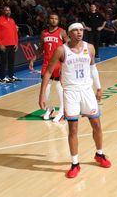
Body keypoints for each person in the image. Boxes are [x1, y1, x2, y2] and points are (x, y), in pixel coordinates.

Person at [39, 23, 112, 178]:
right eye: (76, 30)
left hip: (87, 91)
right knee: (73, 129)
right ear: (69, 33)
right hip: (71, 92)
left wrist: (98, 87)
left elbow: (93, 68)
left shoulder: (90, 47)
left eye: (81, 30)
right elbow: (48, 72)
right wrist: (42, 94)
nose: (79, 32)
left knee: (97, 124)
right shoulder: (61, 50)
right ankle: (75, 164)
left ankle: (99, 154)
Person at [30, 13, 67, 122]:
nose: (54, 20)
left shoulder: (62, 32)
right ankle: (50, 108)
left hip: (58, 63)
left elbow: (68, 45)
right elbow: (41, 48)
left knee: (59, 86)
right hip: (47, 63)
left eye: (56, 18)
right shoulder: (44, 33)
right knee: (46, 88)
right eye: (52, 18)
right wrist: (33, 58)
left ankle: (62, 110)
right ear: (48, 20)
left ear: (58, 20)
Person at [0, 6, 20, 83]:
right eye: (6, 10)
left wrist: (16, 43)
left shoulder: (12, 20)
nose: (8, 12)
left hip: (12, 44)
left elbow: (15, 33)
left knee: (11, 61)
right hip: (4, 45)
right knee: (3, 61)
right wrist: (0, 44)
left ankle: (11, 76)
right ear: (3, 11)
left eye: (9, 10)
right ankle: (2, 78)